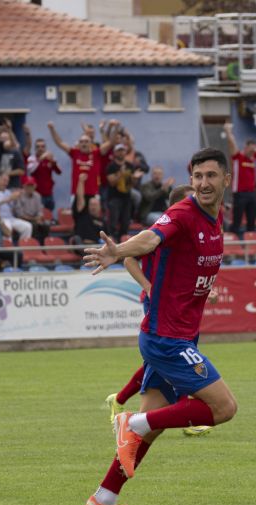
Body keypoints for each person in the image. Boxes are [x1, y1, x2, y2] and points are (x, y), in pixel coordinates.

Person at [82, 148, 238, 505]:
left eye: (210, 176)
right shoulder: (184, 213)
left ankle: (103, 500)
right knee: (223, 408)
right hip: (166, 338)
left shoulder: (216, 218)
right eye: (197, 175)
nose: (202, 182)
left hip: (180, 334)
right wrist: (119, 251)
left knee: (151, 429)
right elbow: (152, 239)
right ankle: (131, 421)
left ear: (226, 180)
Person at [105, 184, 215, 437]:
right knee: (170, 358)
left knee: (166, 361)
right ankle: (171, 413)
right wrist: (148, 286)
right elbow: (129, 258)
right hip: (158, 304)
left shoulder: (189, 231)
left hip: (178, 306)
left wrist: (208, 288)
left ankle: (129, 408)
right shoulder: (161, 232)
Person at [105, 144, 144, 240]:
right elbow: (111, 182)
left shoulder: (130, 166)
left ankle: (123, 241)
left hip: (127, 197)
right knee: (113, 222)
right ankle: (113, 241)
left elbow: (133, 183)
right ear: (115, 153)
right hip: (114, 198)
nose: (121, 152)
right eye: (119, 150)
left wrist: (135, 178)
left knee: (125, 222)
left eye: (122, 150)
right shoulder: (111, 166)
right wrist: (120, 173)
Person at [0, 172, 32, 241]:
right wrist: (10, 198)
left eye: (7, 181)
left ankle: (22, 250)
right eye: (4, 180)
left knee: (28, 226)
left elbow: (14, 208)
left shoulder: (7, 192)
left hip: (10, 218)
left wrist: (18, 198)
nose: (6, 183)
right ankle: (7, 250)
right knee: (7, 227)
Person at [25, 136, 62, 211]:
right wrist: (40, 159)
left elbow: (59, 172)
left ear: (45, 148)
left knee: (49, 215)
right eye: (38, 147)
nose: (40, 148)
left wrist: (53, 161)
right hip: (36, 194)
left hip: (49, 193)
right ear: (35, 148)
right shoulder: (31, 159)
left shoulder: (49, 159)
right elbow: (31, 170)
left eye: (42, 146)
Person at [13, 176, 50, 243]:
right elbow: (20, 214)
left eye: (32, 185)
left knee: (46, 224)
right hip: (23, 219)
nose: (30, 188)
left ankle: (44, 245)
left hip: (34, 218)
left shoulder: (37, 196)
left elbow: (40, 211)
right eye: (28, 185)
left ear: (35, 186)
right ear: (24, 186)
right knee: (33, 225)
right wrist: (34, 219)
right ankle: (32, 244)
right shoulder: (20, 196)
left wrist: (39, 218)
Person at [72, 173, 105, 246]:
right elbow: (80, 198)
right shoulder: (82, 215)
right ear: (88, 206)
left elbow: (109, 236)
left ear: (100, 207)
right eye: (91, 205)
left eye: (95, 205)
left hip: (100, 248)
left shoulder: (103, 221)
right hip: (85, 247)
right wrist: (81, 181)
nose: (93, 207)